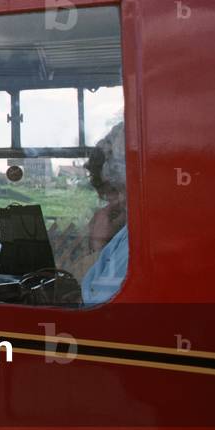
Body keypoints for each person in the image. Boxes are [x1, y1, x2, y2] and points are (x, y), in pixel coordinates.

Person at [81, 122, 127, 305]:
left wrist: (99, 243)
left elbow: (97, 304)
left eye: (116, 189)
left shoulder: (133, 241)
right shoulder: (126, 235)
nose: (120, 202)